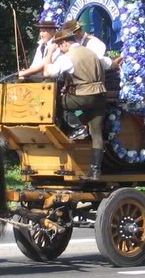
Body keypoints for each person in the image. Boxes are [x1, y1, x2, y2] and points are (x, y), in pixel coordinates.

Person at [43, 28, 107, 181]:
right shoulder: (92, 53)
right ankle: (95, 171)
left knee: (56, 103)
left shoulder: (68, 57)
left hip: (82, 96)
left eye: (59, 45)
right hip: (99, 96)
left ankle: (77, 128)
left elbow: (48, 72)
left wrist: (50, 53)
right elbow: (109, 65)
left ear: (65, 42)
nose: (59, 48)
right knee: (97, 134)